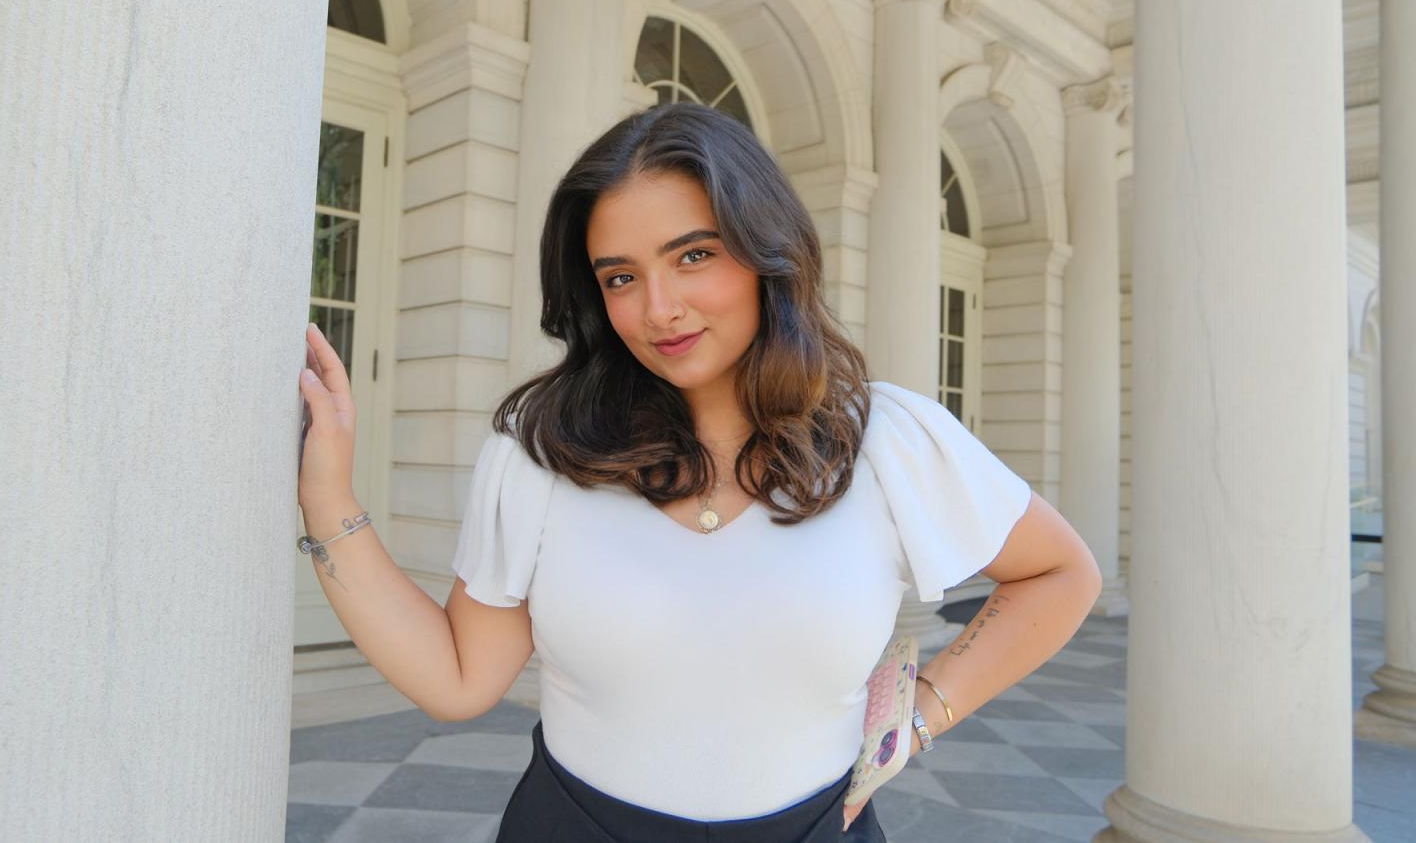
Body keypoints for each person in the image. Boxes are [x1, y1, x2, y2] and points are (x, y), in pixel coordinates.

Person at [295, 102, 1103, 842]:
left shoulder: (885, 439)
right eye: (620, 276)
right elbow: (460, 680)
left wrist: (921, 716)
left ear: (764, 252)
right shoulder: (541, 450)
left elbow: (1059, 573)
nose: (658, 308)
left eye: (693, 255)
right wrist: (329, 495)